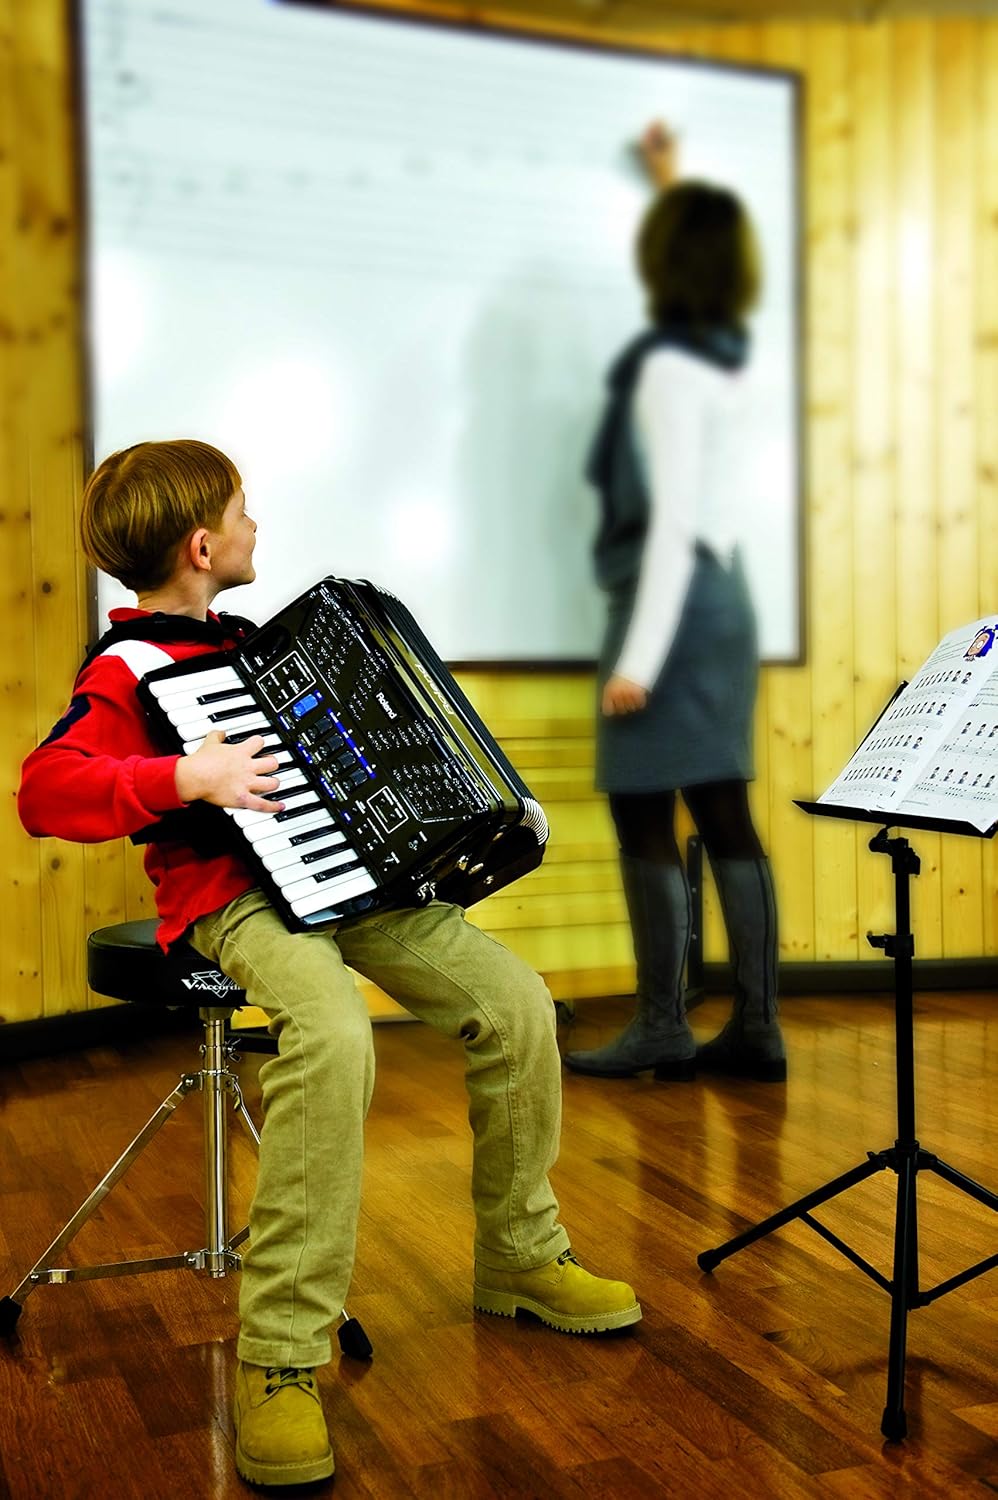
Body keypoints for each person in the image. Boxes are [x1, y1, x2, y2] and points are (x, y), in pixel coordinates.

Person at [18, 439, 640, 1490]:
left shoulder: (260, 647)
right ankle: (279, 1357)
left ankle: (519, 1256)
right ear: (204, 543)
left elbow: (359, 768)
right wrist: (185, 775)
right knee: (332, 1032)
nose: (260, 528)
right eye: (245, 513)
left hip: (354, 884)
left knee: (515, 1002)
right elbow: (47, 790)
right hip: (232, 903)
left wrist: (457, 817)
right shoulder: (125, 670)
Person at [563, 124, 786, 1086]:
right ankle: (759, 1028)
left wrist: (639, 661)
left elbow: (671, 520)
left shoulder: (663, 367)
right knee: (725, 810)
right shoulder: (730, 350)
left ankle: (662, 1025)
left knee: (647, 816)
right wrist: (671, 182)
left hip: (677, 603)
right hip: (724, 600)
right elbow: (701, 248)